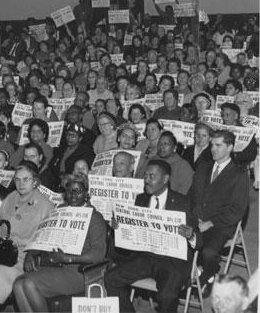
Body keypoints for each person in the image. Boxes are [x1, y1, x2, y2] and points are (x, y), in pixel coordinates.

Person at [104, 159, 200, 313]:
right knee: (111, 278)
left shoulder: (183, 202)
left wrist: (191, 236)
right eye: (145, 175)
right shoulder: (141, 199)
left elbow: (200, 240)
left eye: (152, 177)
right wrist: (119, 227)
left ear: (165, 179)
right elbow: (133, 232)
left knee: (167, 295)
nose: (146, 180)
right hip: (145, 257)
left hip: (171, 261)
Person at [0, 161, 55, 312]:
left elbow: (45, 239)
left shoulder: (46, 206)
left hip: (20, 255)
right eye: (17, 180)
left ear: (35, 181)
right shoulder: (11, 196)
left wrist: (20, 242)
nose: (21, 184)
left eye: (26, 179)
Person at [13, 173, 107, 312]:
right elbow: (42, 236)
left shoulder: (95, 218)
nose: (73, 195)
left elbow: (98, 255)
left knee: (29, 283)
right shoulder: (60, 210)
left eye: (78, 191)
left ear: (86, 193)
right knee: (17, 285)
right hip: (54, 266)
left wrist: (67, 258)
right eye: (69, 190)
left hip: (79, 271)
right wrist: (30, 254)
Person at [189, 130, 250, 295]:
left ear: (230, 147)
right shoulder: (203, 167)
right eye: (212, 145)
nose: (213, 149)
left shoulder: (239, 175)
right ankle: (189, 274)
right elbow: (191, 196)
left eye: (218, 145)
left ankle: (208, 274)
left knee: (208, 252)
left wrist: (210, 223)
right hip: (197, 219)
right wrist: (192, 217)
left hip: (220, 225)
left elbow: (237, 210)